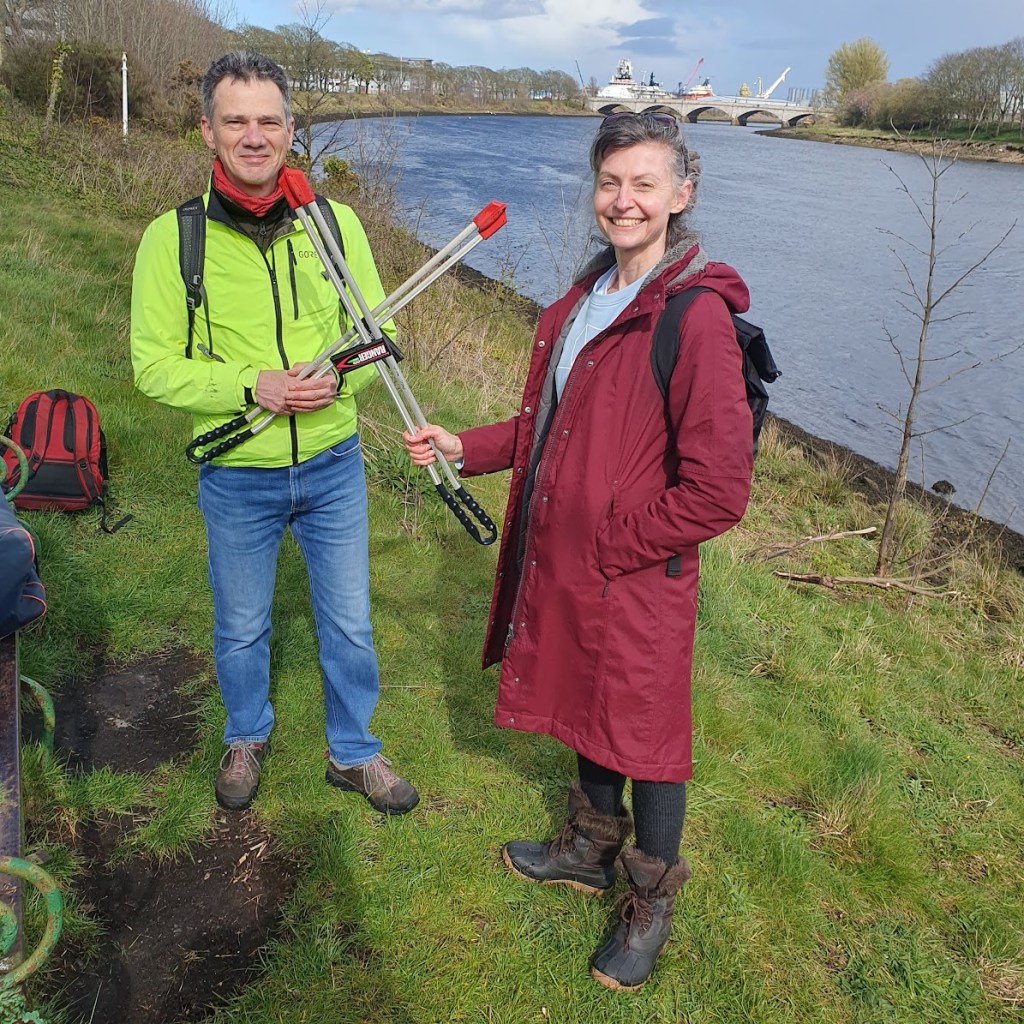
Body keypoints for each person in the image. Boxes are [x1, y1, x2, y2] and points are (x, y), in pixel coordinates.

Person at [405, 111, 753, 989]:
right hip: (577, 561)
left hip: (637, 573)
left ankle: (650, 900)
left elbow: (720, 490)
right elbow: (547, 426)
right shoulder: (586, 298)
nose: (623, 201)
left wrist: (612, 543)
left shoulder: (695, 318)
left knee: (646, 734)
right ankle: (587, 850)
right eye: (610, 182)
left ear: (682, 194)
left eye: (644, 184)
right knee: (589, 705)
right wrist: (465, 448)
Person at [130, 51, 418, 816]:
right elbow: (152, 367)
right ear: (207, 131)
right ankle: (246, 735)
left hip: (332, 464)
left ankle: (353, 752)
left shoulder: (335, 224)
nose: (253, 136)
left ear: (292, 130)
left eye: (268, 121)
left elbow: (376, 337)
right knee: (242, 624)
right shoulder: (172, 238)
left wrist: (335, 384)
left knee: (350, 622)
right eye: (236, 121)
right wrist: (248, 385)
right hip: (237, 475)